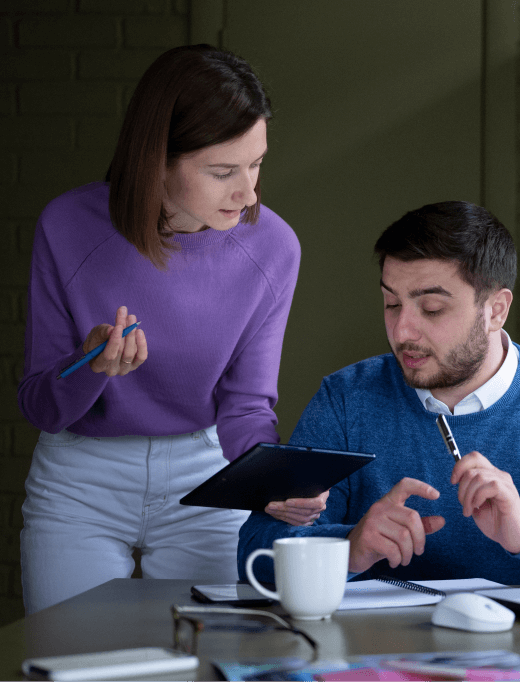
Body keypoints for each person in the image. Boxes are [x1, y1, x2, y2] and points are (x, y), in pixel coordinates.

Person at [18, 44, 326, 615]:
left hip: (205, 472)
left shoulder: (274, 247)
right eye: (223, 171)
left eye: (256, 164)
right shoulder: (66, 225)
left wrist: (274, 482)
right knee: (70, 654)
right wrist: (90, 367)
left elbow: (246, 406)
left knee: (214, 652)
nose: (248, 193)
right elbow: (39, 404)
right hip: (81, 478)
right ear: (156, 159)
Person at [238, 201, 520, 586]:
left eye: (431, 309)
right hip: (380, 628)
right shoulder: (346, 399)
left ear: (496, 310)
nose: (401, 332)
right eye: (392, 304)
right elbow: (253, 552)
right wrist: (348, 548)